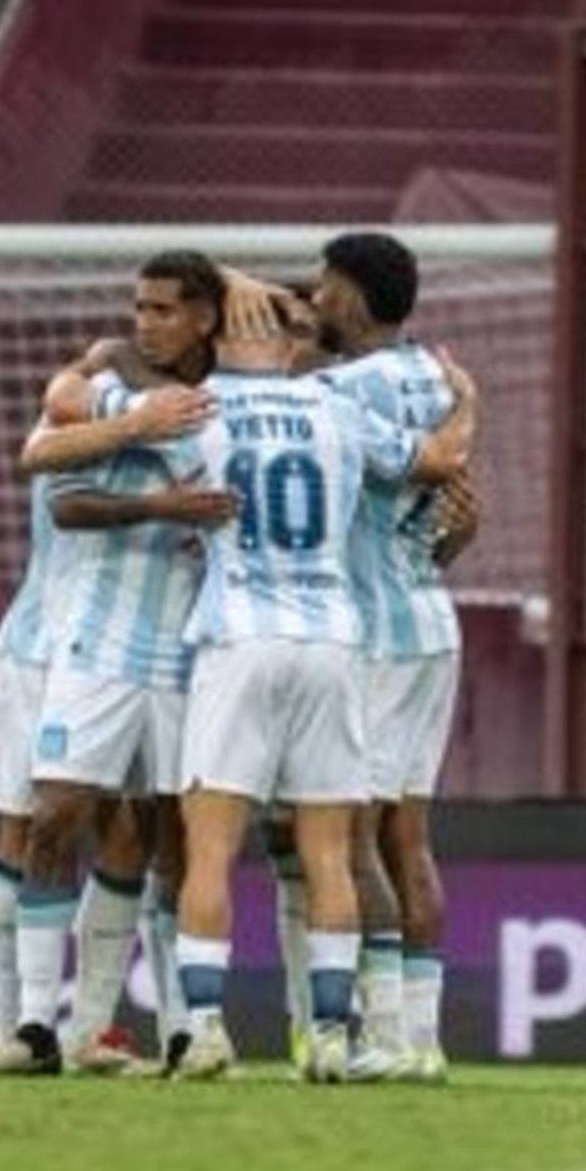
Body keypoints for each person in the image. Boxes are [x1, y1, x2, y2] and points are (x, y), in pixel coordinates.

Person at [159, 307, 476, 1082]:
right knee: (332, 850)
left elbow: (81, 431)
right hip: (333, 637)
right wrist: (466, 400)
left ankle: (203, 1028)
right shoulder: (337, 408)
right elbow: (438, 460)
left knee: (210, 848)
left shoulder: (203, 403)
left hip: (240, 635)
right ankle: (331, 1038)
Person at [3, 250, 237, 1075]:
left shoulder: (235, 396)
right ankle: (35, 1025)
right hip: (98, 642)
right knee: (55, 814)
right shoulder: (115, 381)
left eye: (164, 310)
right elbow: (60, 494)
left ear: (206, 317)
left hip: (188, 653)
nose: (146, 324)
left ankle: (180, 1030)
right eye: (139, 308)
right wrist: (156, 500)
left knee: (173, 840)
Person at [0, 376, 214, 1076]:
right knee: (32, 825)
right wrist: (130, 416)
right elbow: (48, 436)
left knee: (136, 833)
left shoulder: (205, 416)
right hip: (42, 649)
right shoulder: (82, 408)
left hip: (139, 654)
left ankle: (91, 1029)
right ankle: (14, 1027)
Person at [313, 231, 471, 1083]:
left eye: (326, 284)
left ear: (354, 294)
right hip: (430, 621)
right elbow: (453, 497)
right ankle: (423, 1038)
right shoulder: (439, 378)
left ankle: (382, 1035)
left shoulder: (340, 390)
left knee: (352, 831)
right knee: (411, 835)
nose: (314, 297)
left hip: (369, 631)